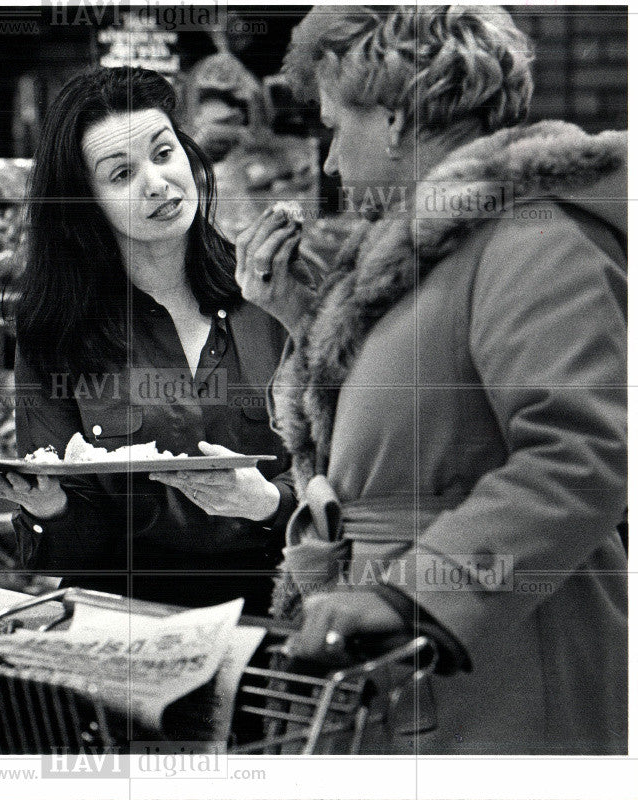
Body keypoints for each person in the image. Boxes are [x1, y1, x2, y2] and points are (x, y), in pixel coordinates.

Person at [238, 6, 627, 754]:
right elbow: (394, 431)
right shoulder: (430, 248)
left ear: (391, 119)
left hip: (501, 672)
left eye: (332, 127)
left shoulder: (534, 236)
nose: (327, 163)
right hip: (417, 664)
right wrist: (298, 319)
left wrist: (411, 594)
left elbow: (584, 458)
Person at [0, 66, 298, 615]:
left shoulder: (273, 293)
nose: (157, 184)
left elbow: (350, 482)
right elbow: (73, 553)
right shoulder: (56, 332)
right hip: (130, 624)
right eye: (121, 174)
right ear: (86, 202)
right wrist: (53, 508)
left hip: (281, 609)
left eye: (163, 154)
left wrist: (267, 502)